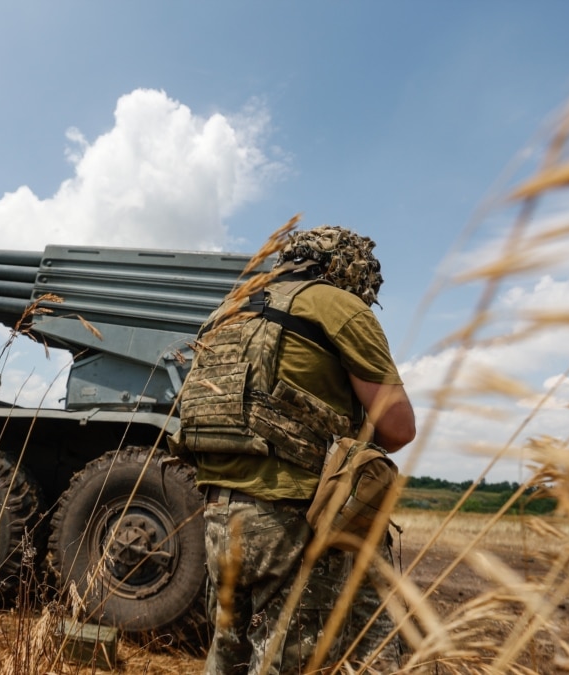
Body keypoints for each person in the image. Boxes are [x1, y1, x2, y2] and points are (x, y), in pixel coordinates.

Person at [174, 225, 416, 674]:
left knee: (228, 654)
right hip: (290, 520)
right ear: (351, 270)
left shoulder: (230, 309)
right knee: (291, 661)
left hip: (217, 517)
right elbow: (399, 428)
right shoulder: (337, 305)